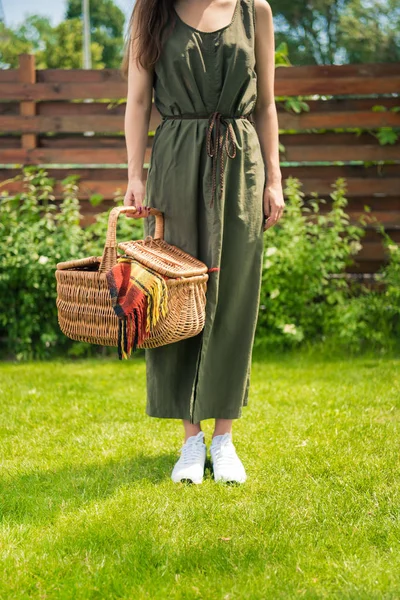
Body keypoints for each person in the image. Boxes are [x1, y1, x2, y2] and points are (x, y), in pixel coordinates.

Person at [122, 0, 284, 484]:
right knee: (174, 297)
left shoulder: (255, 10)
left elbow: (267, 103)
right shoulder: (151, 10)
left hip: (239, 164)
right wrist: (133, 175)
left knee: (233, 296)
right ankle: (191, 440)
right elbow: (137, 100)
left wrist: (274, 179)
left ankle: (224, 438)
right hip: (174, 163)